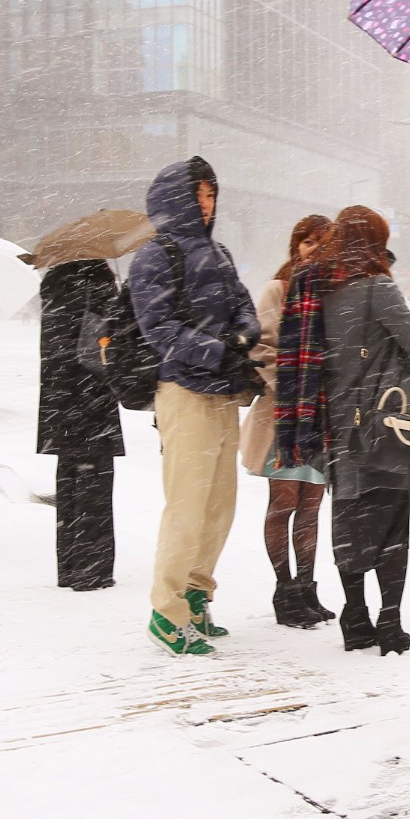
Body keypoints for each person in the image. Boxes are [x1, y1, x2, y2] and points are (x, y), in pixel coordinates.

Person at [275, 206, 410, 655]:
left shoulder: (319, 291)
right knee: (391, 524)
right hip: (384, 425)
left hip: (338, 425)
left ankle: (354, 615)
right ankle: (390, 622)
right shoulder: (377, 287)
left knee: (348, 519)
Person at [129, 156, 263, 656]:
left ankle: (197, 595)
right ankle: (167, 612)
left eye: (212, 196)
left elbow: (243, 304)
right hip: (182, 392)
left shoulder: (220, 253)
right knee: (186, 505)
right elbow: (157, 327)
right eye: (198, 196)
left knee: (218, 506)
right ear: (176, 200)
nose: (207, 206)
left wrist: (243, 333)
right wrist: (217, 350)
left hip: (223, 393)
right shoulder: (154, 255)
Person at [242, 215, 337, 629]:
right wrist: (294, 383)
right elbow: (260, 347)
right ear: (295, 244)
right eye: (307, 241)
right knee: (284, 503)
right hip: (282, 416)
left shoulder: (335, 291)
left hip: (319, 416)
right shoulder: (277, 288)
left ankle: (307, 587)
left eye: (322, 242)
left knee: (312, 506)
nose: (313, 249)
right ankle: (284, 591)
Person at [36, 257, 125, 590]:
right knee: (96, 487)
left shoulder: (53, 284)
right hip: (92, 399)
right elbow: (113, 338)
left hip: (59, 400)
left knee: (69, 484)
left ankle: (70, 566)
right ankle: (93, 569)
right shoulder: (99, 282)